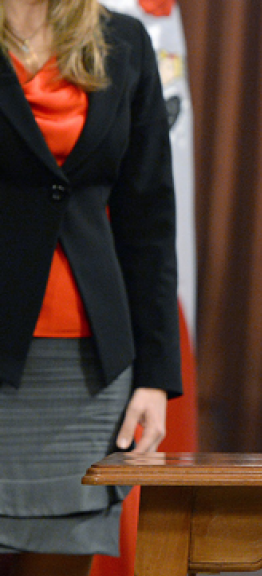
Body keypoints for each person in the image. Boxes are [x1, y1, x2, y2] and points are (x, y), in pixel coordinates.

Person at [0, 0, 181, 574]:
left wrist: (155, 376)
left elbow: (147, 219)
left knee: (64, 555)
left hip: (87, 365)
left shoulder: (122, 39)